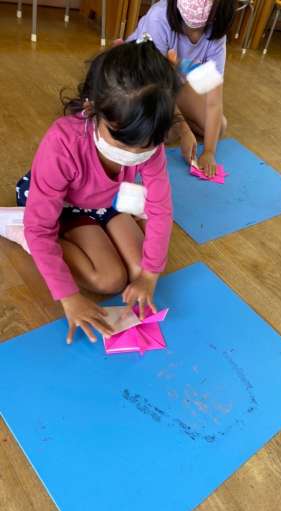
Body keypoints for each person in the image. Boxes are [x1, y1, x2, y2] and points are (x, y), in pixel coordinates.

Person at [16, 37, 181, 343]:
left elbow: (161, 209)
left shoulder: (149, 141)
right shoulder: (63, 142)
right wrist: (69, 297)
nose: (134, 154)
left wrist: (149, 276)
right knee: (110, 279)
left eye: (146, 146)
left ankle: (102, 238)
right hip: (65, 206)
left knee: (140, 269)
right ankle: (22, 232)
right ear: (93, 108)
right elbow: (40, 227)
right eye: (123, 142)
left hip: (109, 201)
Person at [128, 0, 237, 177]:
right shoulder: (159, 17)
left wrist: (209, 152)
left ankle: (167, 122)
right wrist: (184, 129)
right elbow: (156, 86)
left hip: (177, 81)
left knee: (219, 126)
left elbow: (214, 99)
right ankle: (167, 124)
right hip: (142, 83)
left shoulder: (216, 33)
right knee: (143, 129)